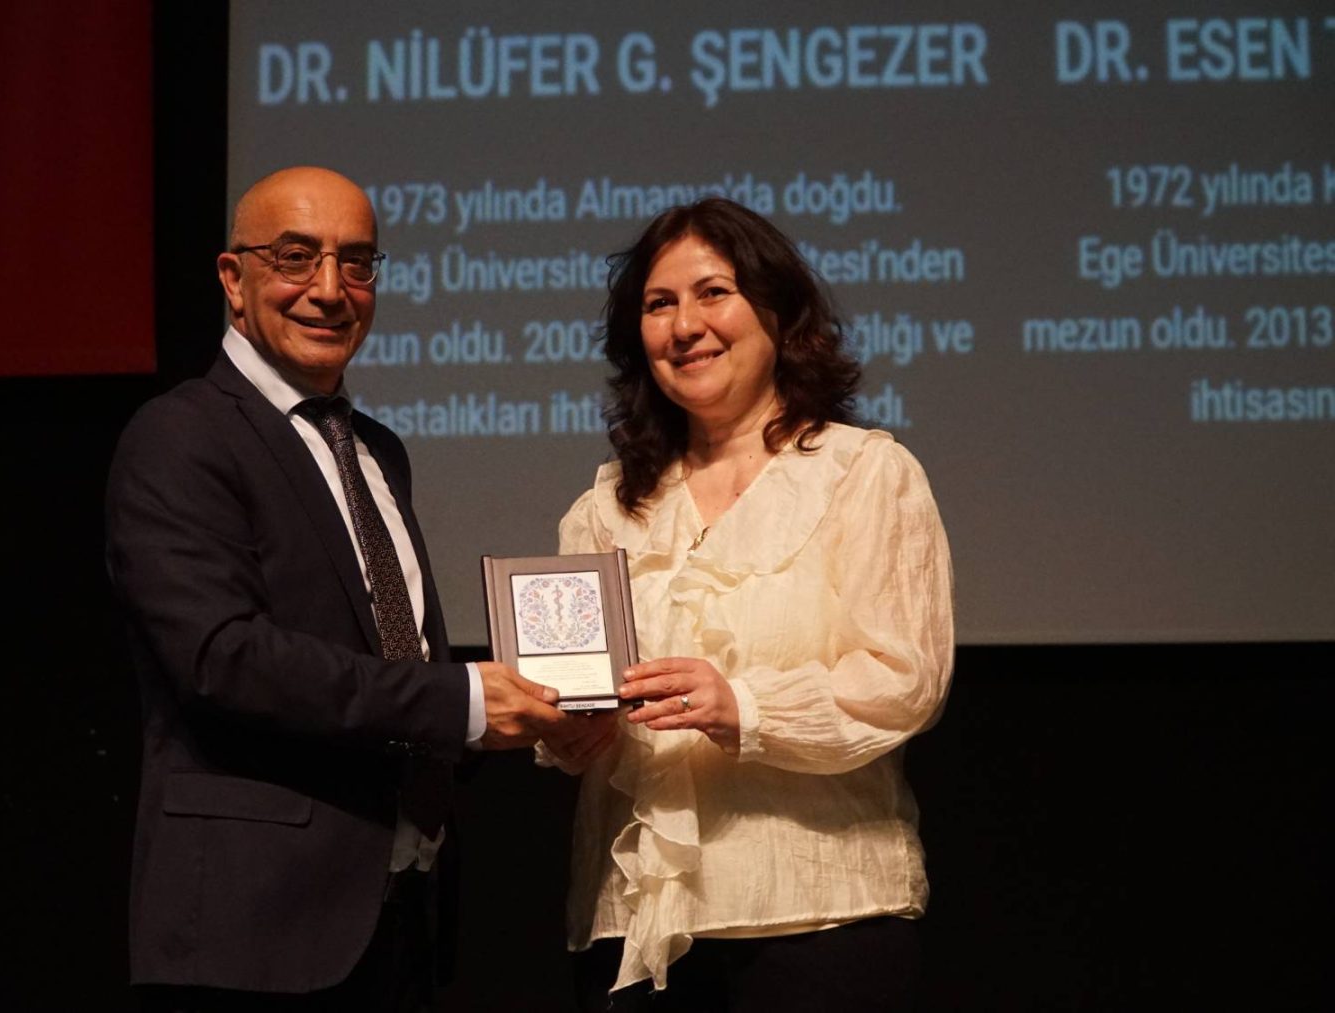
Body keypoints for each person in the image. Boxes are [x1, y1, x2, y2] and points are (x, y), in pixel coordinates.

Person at [105, 166, 569, 1010]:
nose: (329, 289)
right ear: (232, 279)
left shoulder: (379, 450)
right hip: (253, 929)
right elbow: (224, 659)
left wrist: (538, 712)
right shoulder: (180, 436)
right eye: (295, 257)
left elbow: (394, 654)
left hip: (400, 913)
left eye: (357, 262)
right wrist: (462, 701)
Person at [543, 198, 954, 1011]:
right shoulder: (602, 512)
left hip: (820, 918)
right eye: (659, 304)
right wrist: (565, 726)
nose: (685, 325)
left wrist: (744, 705)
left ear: (778, 313)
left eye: (713, 293)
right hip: (634, 926)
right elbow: (573, 711)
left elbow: (905, 680)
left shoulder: (865, 474)